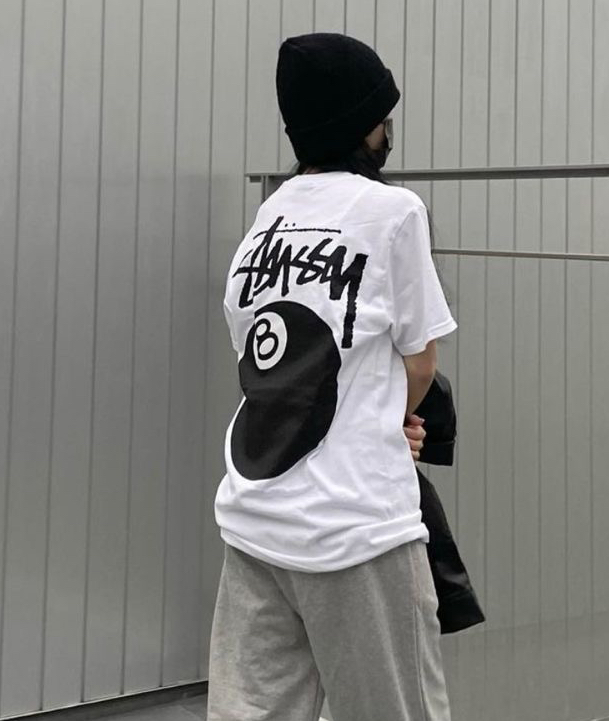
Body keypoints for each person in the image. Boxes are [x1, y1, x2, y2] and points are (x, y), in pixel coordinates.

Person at [207, 32, 457, 721]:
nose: (389, 130)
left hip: (256, 515)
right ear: (362, 124)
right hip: (357, 529)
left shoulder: (270, 216)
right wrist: (388, 421)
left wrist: (371, 415)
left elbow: (268, 362)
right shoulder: (394, 211)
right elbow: (421, 361)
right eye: (384, 117)